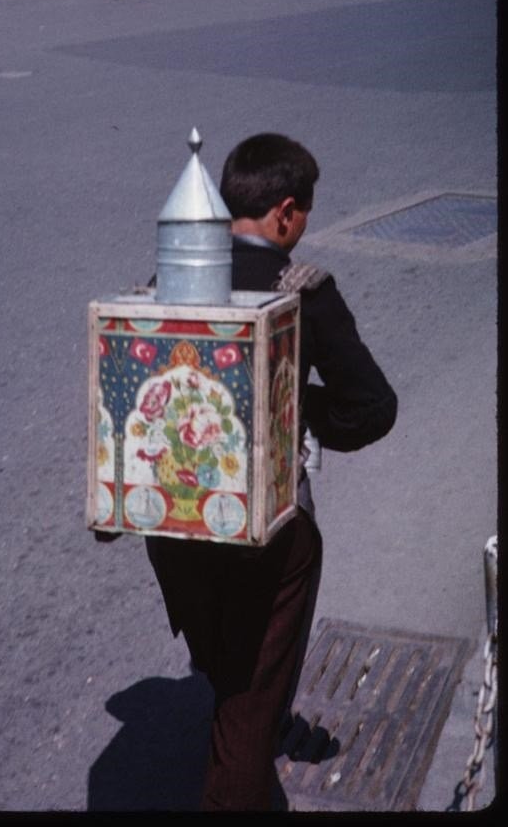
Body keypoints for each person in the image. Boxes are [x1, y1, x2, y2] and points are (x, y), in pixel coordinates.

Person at [144, 132, 398, 810]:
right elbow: (371, 408)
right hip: (269, 534)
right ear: (285, 212)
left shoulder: (163, 278)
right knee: (245, 711)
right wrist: (296, 410)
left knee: (229, 670)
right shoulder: (301, 290)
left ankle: (252, 715)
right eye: (302, 217)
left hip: (172, 528)